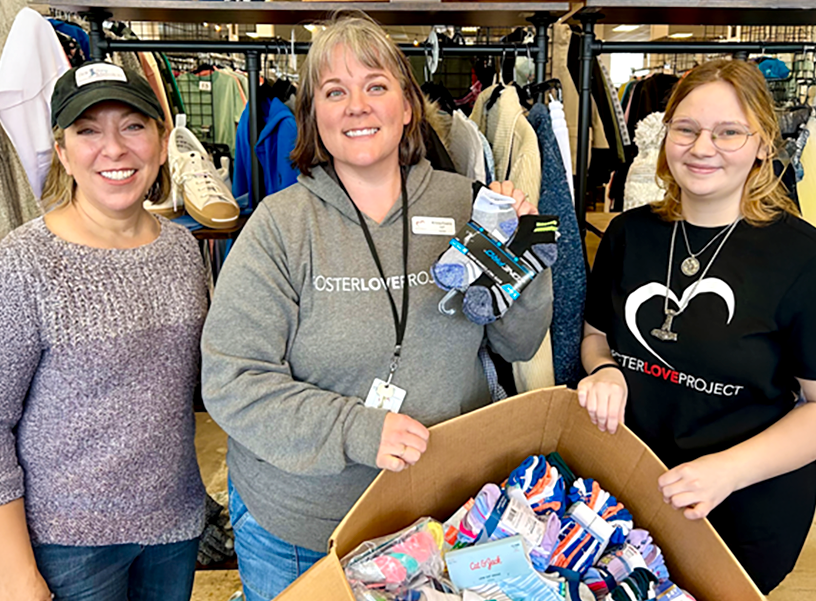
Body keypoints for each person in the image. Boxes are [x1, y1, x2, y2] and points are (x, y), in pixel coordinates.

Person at [201, 12, 552, 600]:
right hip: (303, 527)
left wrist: (523, 248)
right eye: (335, 92)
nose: (356, 106)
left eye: (376, 86)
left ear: (408, 106)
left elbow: (516, 343)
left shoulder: (467, 203)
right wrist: (359, 431)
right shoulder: (281, 226)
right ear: (314, 114)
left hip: (439, 514)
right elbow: (233, 380)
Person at [577, 58, 816, 594]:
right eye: (686, 129)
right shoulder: (627, 235)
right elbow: (596, 338)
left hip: (741, 509)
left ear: (761, 143)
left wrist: (727, 471)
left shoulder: (801, 258)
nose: (703, 147)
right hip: (626, 491)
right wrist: (606, 370)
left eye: (729, 132)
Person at [0, 61, 207, 600]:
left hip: (174, 526)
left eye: (133, 125)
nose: (113, 149)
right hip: (66, 547)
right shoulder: (24, 263)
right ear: (63, 152)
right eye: (88, 130)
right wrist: (15, 571)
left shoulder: (183, 251)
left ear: (163, 143)